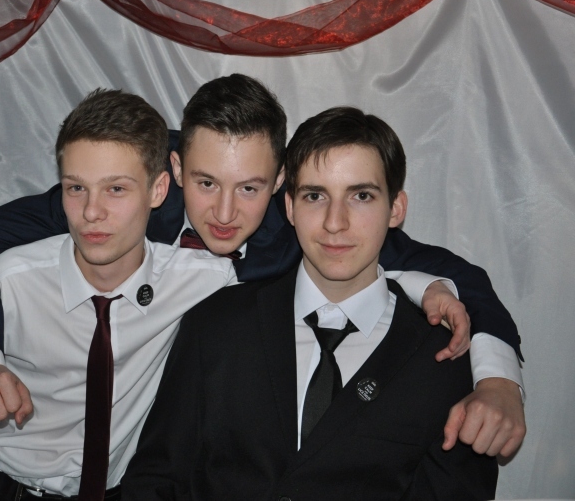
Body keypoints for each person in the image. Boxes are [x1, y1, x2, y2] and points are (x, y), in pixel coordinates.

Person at [0, 74, 524, 456]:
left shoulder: (299, 225)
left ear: (280, 185)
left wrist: (498, 382)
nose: (223, 213)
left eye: (249, 188)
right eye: (205, 183)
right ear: (172, 172)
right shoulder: (125, 197)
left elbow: (454, 274)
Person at [121, 107, 499, 500]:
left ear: (396, 209)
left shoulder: (443, 360)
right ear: (289, 207)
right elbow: (156, 478)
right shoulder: (215, 322)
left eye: (361, 196)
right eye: (315, 196)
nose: (335, 222)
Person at [0, 89, 238, 500]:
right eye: (76, 188)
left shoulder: (205, 281)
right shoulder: (9, 280)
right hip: (12, 489)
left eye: (116, 189)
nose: (91, 212)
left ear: (158, 190)